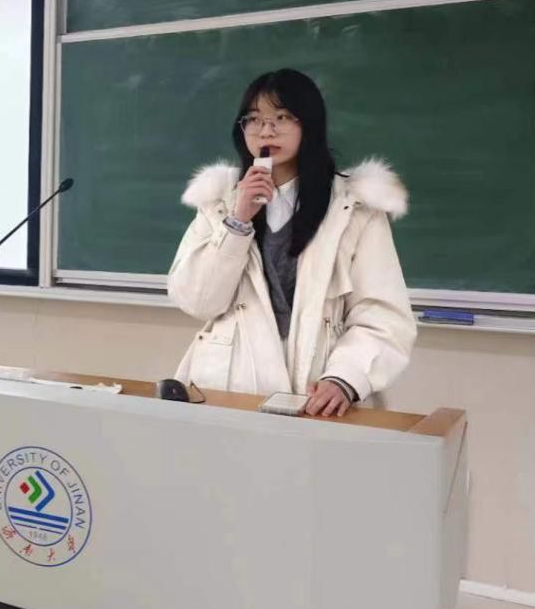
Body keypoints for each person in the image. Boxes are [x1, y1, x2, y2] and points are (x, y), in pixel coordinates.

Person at [167, 69, 416, 416]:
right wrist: (238, 221)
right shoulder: (219, 202)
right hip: (229, 389)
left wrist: (345, 378)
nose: (266, 130)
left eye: (282, 117)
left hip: (316, 392)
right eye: (254, 119)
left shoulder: (353, 208)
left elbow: (382, 314)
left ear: (309, 124)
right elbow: (198, 301)